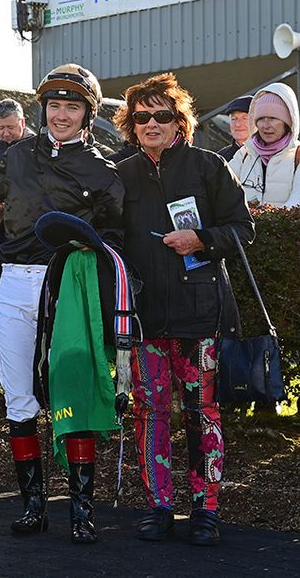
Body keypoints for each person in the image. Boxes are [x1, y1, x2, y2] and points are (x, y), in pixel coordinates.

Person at [0, 63, 125, 543]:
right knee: (18, 399)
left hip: (68, 290)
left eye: (72, 107)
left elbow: (116, 243)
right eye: (54, 105)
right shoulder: (17, 156)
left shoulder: (104, 172)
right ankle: (33, 507)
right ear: (43, 109)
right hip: (13, 285)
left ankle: (81, 512)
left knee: (71, 396)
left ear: (87, 114)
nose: (61, 115)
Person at [113, 72, 254, 547]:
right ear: (131, 124)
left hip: (200, 315)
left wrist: (202, 239)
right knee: (150, 413)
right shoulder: (120, 174)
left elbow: (243, 228)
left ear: (180, 121)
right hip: (144, 317)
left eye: (162, 114)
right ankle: (158, 507)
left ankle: (205, 509)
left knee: (202, 413)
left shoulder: (209, 166)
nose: (152, 123)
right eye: (142, 116)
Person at [227, 85, 300, 208]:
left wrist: (265, 216)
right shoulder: (245, 153)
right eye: (261, 119)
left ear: (288, 122)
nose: (266, 125)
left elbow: (297, 201)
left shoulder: (297, 155)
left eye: (273, 118)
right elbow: (219, 186)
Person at [217, 95, 253, 163]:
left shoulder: (267, 154)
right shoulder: (221, 158)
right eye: (234, 119)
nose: (238, 124)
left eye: (244, 118)